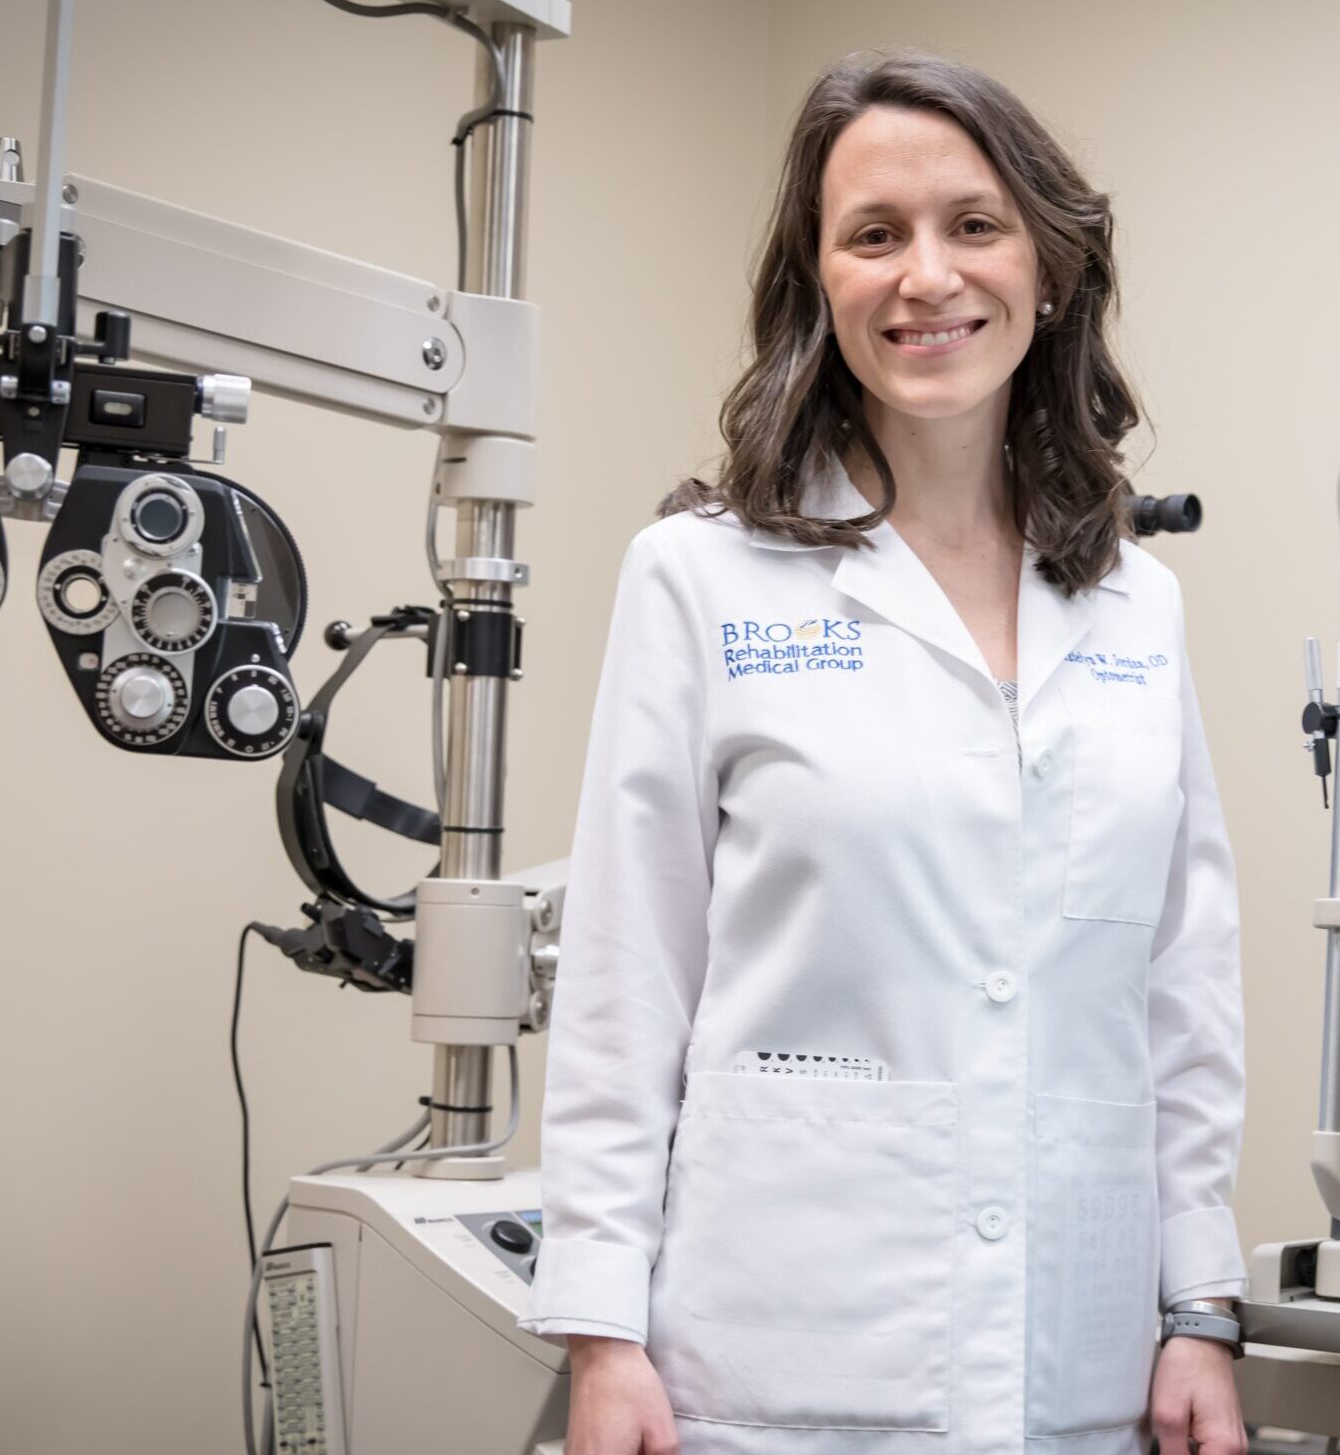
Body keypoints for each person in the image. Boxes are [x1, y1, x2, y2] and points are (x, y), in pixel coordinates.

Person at [522, 51, 1249, 1455]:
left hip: (1076, 1364)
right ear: (819, 285)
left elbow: (1181, 987)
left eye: (973, 225)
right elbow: (626, 975)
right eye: (874, 236)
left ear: (1048, 266)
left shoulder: (1134, 605)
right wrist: (602, 1332)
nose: (929, 276)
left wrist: (1199, 1309)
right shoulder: (699, 577)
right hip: (779, 1363)